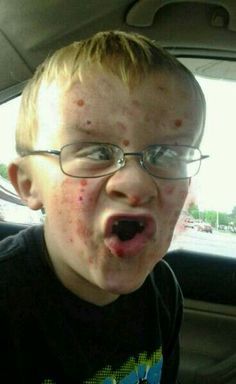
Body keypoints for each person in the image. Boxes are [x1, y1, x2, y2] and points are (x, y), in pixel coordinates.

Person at [0, 30, 206, 384]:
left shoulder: (163, 290)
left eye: (168, 154)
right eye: (95, 152)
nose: (136, 184)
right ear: (29, 185)